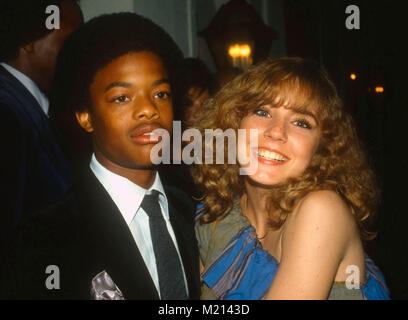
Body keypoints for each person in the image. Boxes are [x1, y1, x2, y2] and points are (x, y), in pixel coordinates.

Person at [3, 13, 200, 300]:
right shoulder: (46, 237)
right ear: (86, 117)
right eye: (122, 97)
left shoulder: (191, 210)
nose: (148, 109)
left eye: (161, 94)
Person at [192, 57, 390, 300]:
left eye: (301, 122)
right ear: (234, 124)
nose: (276, 131)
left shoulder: (321, 210)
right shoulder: (216, 219)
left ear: (322, 147)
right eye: (262, 111)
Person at [0, 0, 82, 285]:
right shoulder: (7, 111)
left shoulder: (38, 108)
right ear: (29, 41)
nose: (80, 53)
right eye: (72, 40)